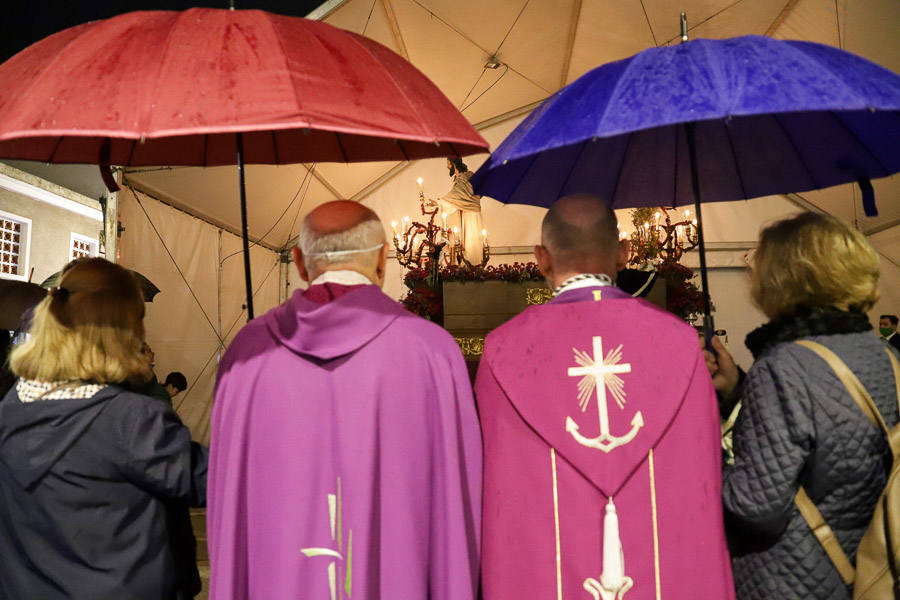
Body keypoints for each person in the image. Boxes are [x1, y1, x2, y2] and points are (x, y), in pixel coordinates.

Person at [208, 200, 482, 599]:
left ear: (300, 262)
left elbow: (227, 509)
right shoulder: (432, 353)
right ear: (384, 259)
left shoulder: (248, 354)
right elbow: (455, 511)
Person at [475, 195, 735, 600]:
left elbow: (501, 488)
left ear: (541, 258)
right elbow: (702, 471)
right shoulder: (682, 344)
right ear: (625, 254)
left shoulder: (501, 351)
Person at [706, 212, 899, 600]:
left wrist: (708, 466)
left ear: (783, 276)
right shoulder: (887, 356)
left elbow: (756, 507)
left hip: (794, 581)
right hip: (873, 568)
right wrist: (738, 390)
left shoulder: (784, 365)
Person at [0, 258, 208, 600]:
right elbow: (216, 479)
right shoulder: (129, 419)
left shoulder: (11, 407)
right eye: (139, 319)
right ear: (124, 329)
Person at [433, 157, 484, 264]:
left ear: (453, 164)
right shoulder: (460, 179)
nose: (447, 166)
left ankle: (472, 269)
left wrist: (438, 202)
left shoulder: (465, 178)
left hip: (471, 214)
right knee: (461, 245)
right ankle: (463, 268)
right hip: (463, 214)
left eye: (448, 163)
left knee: (471, 245)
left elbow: (456, 196)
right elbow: (456, 200)